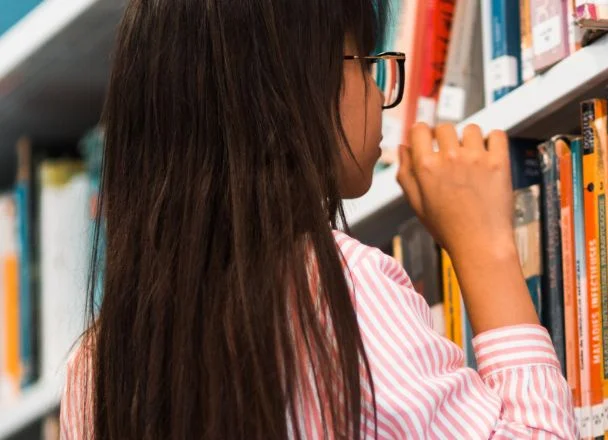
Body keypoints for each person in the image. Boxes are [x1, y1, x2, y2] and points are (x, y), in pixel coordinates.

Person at [58, 0, 575, 438]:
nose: (378, 95)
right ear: (287, 88)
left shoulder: (93, 372)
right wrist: (485, 248)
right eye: (367, 65)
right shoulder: (336, 289)